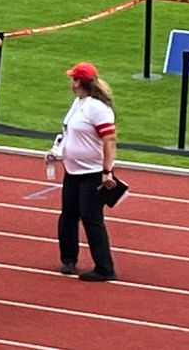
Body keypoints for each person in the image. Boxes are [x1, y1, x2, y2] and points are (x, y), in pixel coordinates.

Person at [57, 62, 119, 282]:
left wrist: (107, 171)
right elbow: (68, 133)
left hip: (92, 173)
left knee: (92, 219)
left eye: (73, 78)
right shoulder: (79, 102)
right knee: (68, 215)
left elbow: (109, 139)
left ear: (78, 82)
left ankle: (105, 268)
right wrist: (57, 151)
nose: (70, 82)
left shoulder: (98, 109)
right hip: (73, 170)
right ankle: (68, 259)